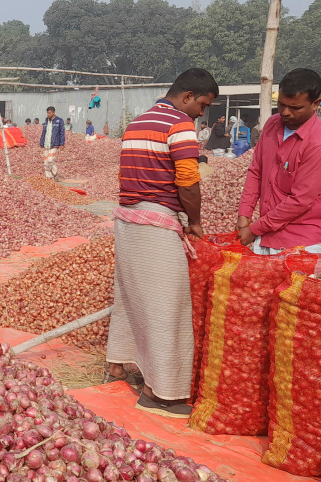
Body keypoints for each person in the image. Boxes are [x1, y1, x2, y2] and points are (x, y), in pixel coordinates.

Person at [105, 68, 218, 419]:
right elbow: (187, 181)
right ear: (187, 97)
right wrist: (195, 221)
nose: (202, 113)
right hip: (156, 223)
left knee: (130, 296)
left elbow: (147, 167)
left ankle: (118, 366)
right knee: (168, 307)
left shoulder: (138, 122)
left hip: (128, 220)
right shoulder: (180, 124)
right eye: (202, 104)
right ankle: (159, 393)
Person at [236, 68, 321, 256]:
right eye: (281, 104)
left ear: (316, 104)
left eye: (295, 107)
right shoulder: (272, 124)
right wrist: (244, 215)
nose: (286, 112)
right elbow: (256, 171)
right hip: (268, 234)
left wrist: (255, 229)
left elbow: (300, 200)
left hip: (304, 241)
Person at [39, 106, 66, 178]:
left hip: (54, 143)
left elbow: (62, 132)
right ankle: (49, 177)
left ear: (53, 113)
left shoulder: (59, 121)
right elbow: (44, 132)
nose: (48, 114)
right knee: (46, 162)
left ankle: (55, 172)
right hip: (46, 144)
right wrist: (41, 143)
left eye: (49, 113)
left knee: (50, 160)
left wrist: (62, 143)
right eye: (47, 113)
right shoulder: (46, 121)